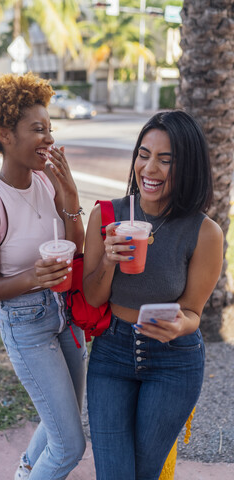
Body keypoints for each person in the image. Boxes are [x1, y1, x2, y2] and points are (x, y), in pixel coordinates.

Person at [83, 110, 223, 480]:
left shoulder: (205, 233)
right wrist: (110, 260)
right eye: (144, 154)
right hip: (112, 353)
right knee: (114, 473)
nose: (150, 169)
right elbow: (94, 298)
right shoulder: (107, 216)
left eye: (166, 159)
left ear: (188, 166)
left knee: (146, 473)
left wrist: (181, 326)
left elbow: (193, 311)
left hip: (173, 361)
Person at [0, 72, 86, 479]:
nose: (48, 139)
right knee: (70, 445)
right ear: (5, 135)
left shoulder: (47, 181)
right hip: (26, 324)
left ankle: (27, 470)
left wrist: (69, 196)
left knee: (63, 418)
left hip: (65, 314)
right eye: (37, 130)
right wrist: (35, 277)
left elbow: (78, 248)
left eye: (50, 129)